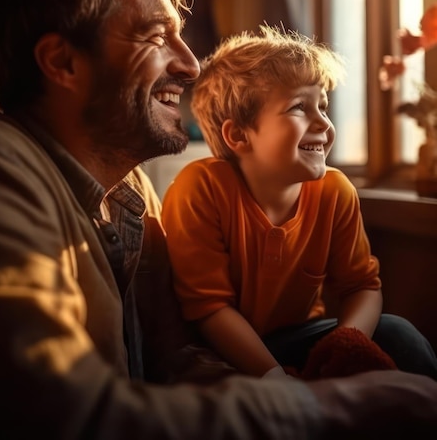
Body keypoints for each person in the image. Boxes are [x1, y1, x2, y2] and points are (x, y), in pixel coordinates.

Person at [0, 0, 437, 440]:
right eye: (154, 36)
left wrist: (293, 388)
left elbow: (176, 358)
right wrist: (325, 410)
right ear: (63, 63)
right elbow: (47, 409)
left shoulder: (133, 191)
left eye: (181, 35)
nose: (190, 64)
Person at [161, 24, 437, 383]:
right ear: (239, 135)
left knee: (397, 334)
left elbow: (363, 287)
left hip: (297, 338)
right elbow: (209, 307)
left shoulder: (335, 191)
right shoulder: (200, 188)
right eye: (298, 107)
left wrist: (345, 343)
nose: (323, 122)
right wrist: (275, 378)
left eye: (322, 105)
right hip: (216, 344)